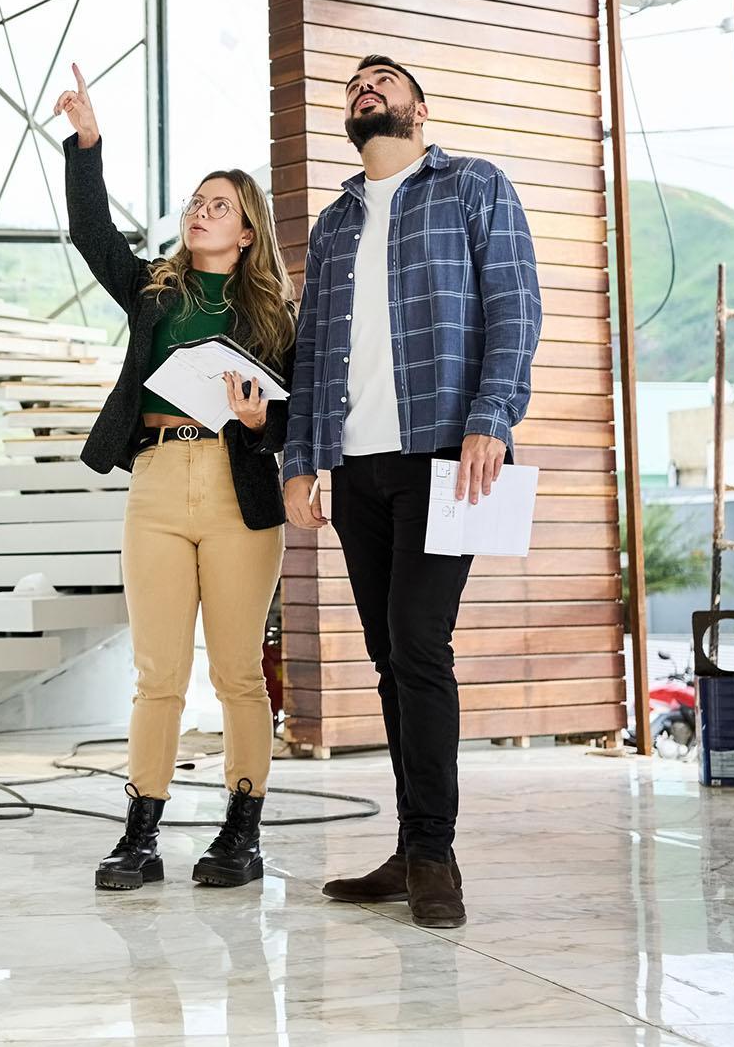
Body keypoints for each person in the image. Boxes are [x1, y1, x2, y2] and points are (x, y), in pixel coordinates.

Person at [282, 53, 542, 929]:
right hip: (356, 466)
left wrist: (492, 417)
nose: (366, 88)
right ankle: (409, 847)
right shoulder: (333, 223)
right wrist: (300, 459)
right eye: (355, 84)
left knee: (418, 643)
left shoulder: (473, 185)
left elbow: (515, 305)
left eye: (384, 80)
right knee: (391, 660)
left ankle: (435, 854)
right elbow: (314, 350)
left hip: (447, 451)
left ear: (419, 110)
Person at [54, 63, 296, 892]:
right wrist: (88, 145)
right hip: (157, 479)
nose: (200, 211)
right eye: (195, 201)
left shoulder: (274, 316)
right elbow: (94, 236)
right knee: (159, 672)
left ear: (247, 232)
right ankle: (142, 834)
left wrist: (267, 421)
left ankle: (241, 832)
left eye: (218, 204)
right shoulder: (154, 289)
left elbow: (301, 415)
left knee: (235, 671)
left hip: (239, 489)